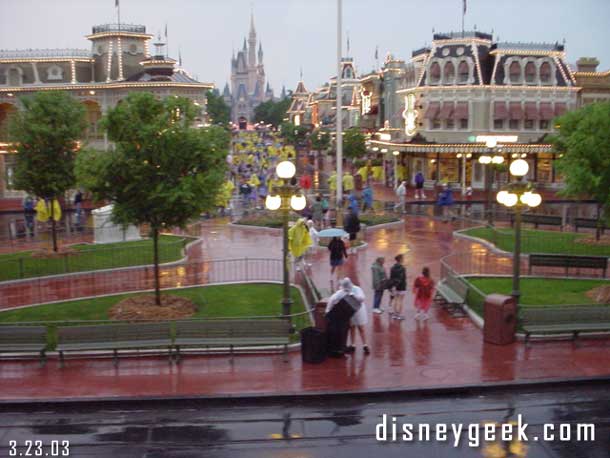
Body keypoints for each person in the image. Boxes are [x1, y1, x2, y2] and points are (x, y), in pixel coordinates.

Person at [325, 277, 364, 357]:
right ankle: (340, 348)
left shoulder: (343, 293)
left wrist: (327, 311)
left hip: (341, 317)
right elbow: (332, 300)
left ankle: (340, 348)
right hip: (342, 317)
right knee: (342, 333)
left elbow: (332, 300)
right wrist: (328, 311)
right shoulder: (344, 293)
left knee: (340, 332)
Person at [389, 254, 407, 320]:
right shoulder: (403, 268)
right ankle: (399, 315)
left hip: (395, 286)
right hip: (402, 286)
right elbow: (403, 278)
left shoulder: (392, 268)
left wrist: (392, 286)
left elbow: (391, 278)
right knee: (400, 301)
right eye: (403, 258)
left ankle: (395, 314)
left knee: (396, 300)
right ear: (401, 259)